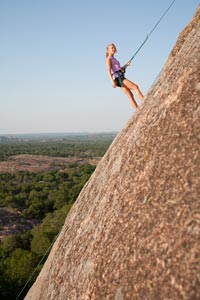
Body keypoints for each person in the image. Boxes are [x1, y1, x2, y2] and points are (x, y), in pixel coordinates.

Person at [106, 43, 144, 109]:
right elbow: (108, 71)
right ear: (108, 50)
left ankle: (138, 111)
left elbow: (118, 69)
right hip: (118, 78)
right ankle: (145, 102)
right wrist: (112, 81)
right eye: (112, 48)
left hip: (119, 77)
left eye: (114, 47)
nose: (114, 49)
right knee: (135, 87)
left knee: (130, 95)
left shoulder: (114, 59)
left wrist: (126, 65)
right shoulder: (109, 59)